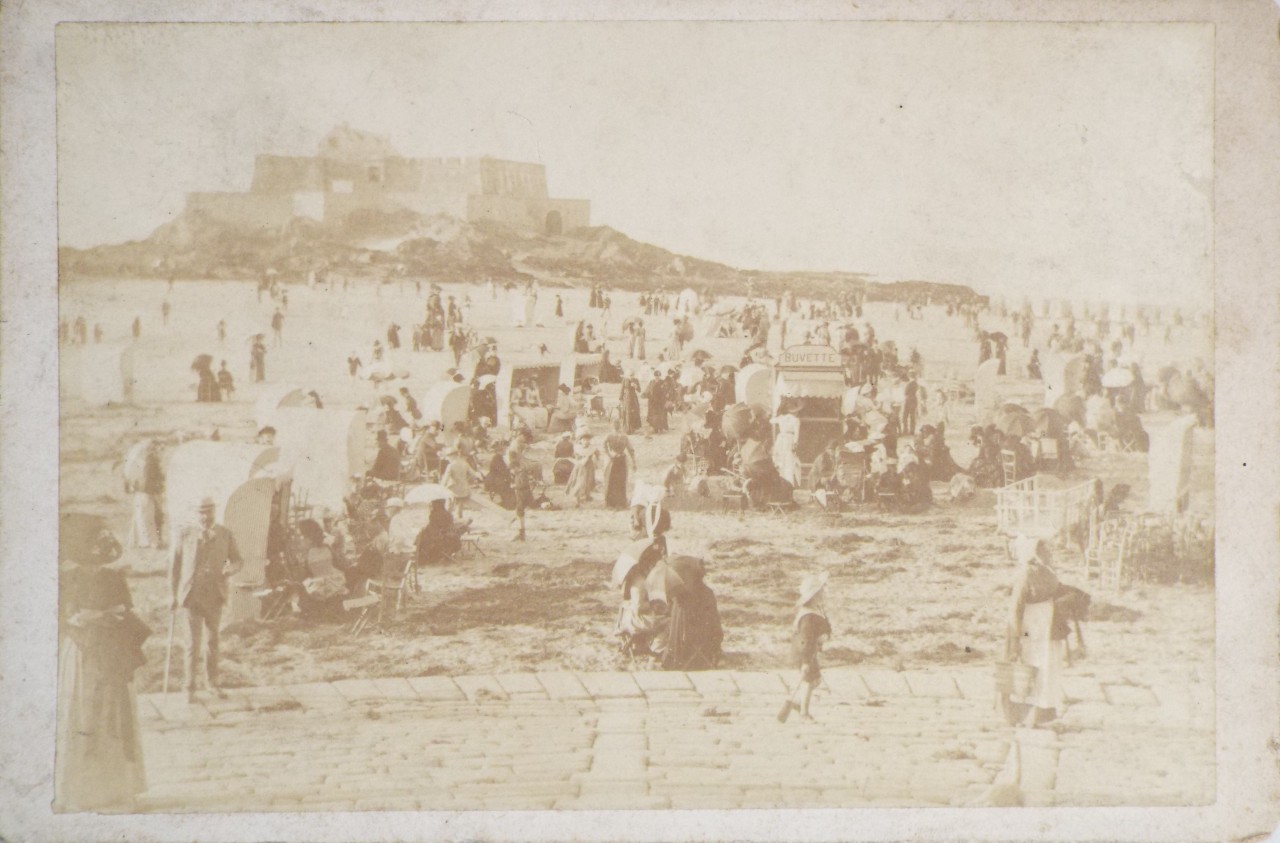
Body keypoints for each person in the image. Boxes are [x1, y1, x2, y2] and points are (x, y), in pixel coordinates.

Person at [56, 513, 149, 811]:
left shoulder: (113, 578)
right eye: (90, 553)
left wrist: (103, 616)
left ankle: (115, 789)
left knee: (110, 714)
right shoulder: (66, 580)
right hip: (82, 654)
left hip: (109, 654)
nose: (95, 562)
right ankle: (82, 791)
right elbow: (65, 617)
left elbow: (123, 611)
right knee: (83, 713)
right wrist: (87, 618)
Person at [169, 498, 242, 703]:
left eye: (208, 512)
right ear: (195, 514)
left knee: (212, 641)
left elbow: (238, 560)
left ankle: (213, 684)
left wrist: (231, 568)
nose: (205, 516)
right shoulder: (185, 535)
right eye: (201, 512)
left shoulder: (225, 534)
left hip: (214, 595)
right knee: (192, 643)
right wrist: (173, 595)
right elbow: (174, 567)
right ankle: (189, 688)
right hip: (191, 595)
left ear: (214, 512)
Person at [1005, 537, 1067, 726]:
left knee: (1038, 665)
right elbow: (1017, 607)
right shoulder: (1037, 573)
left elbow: (1017, 606)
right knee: (1038, 665)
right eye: (1043, 551)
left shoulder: (1037, 573)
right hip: (1039, 625)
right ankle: (1034, 713)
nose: (1048, 554)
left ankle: (1035, 713)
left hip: (1039, 625)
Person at [779, 571, 831, 723]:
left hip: (809, 650)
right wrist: (806, 662)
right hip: (804, 652)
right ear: (814, 595)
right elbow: (805, 640)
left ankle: (800, 703)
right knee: (809, 680)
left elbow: (824, 627)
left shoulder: (816, 611)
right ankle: (804, 712)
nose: (824, 594)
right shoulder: (808, 616)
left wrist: (825, 635)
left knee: (816, 680)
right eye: (821, 592)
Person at [415, 499, 463, 565]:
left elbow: (432, 528)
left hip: (440, 539)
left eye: (434, 504)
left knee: (422, 538)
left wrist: (424, 530)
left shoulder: (434, 514)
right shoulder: (448, 514)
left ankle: (426, 558)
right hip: (449, 537)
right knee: (424, 536)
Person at [602, 420, 635, 509]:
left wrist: (609, 454)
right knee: (620, 481)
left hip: (612, 459)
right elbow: (631, 449)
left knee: (611, 481)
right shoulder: (624, 436)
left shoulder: (609, 436)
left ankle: (610, 503)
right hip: (621, 459)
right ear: (620, 426)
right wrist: (634, 462)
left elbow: (603, 446)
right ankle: (620, 502)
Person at [506, 435, 534, 541]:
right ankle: (521, 531)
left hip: (522, 494)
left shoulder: (521, 473)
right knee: (519, 512)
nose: (512, 472)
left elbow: (522, 484)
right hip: (521, 494)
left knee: (520, 511)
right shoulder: (520, 472)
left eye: (512, 470)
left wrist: (514, 486)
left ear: (516, 468)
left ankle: (521, 532)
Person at [566, 433, 598, 506]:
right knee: (580, 482)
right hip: (580, 467)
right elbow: (574, 456)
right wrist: (580, 460)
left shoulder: (592, 448)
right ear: (581, 441)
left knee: (588, 481)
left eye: (588, 440)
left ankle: (587, 495)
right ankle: (578, 500)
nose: (586, 441)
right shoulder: (577, 448)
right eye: (584, 440)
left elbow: (597, 454)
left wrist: (595, 460)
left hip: (589, 467)